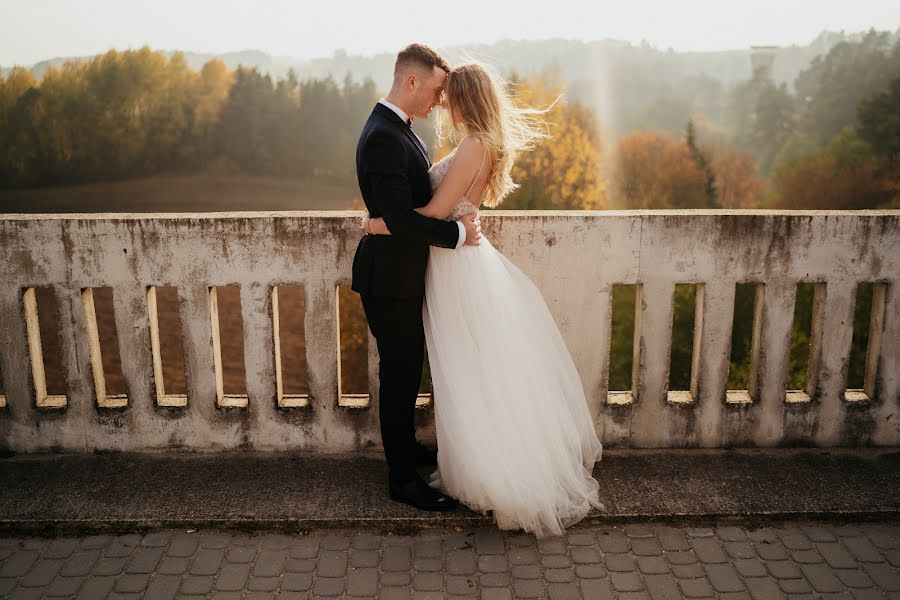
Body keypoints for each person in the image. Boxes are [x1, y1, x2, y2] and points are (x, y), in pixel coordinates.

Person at [362, 61, 605, 537]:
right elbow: (446, 210)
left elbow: (431, 212)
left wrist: (374, 224)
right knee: (469, 368)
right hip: (457, 260)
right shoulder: (476, 143)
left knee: (469, 370)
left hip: (458, 268)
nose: (440, 101)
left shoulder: (474, 145)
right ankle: (473, 461)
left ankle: (492, 469)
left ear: (465, 96)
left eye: (447, 93)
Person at [351, 44, 481, 512]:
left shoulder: (400, 129)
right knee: (401, 373)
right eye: (436, 89)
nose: (440, 100)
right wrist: (456, 231)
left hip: (403, 273)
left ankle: (406, 451)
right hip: (388, 277)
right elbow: (402, 220)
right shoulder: (385, 135)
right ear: (411, 81)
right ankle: (401, 479)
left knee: (409, 369)